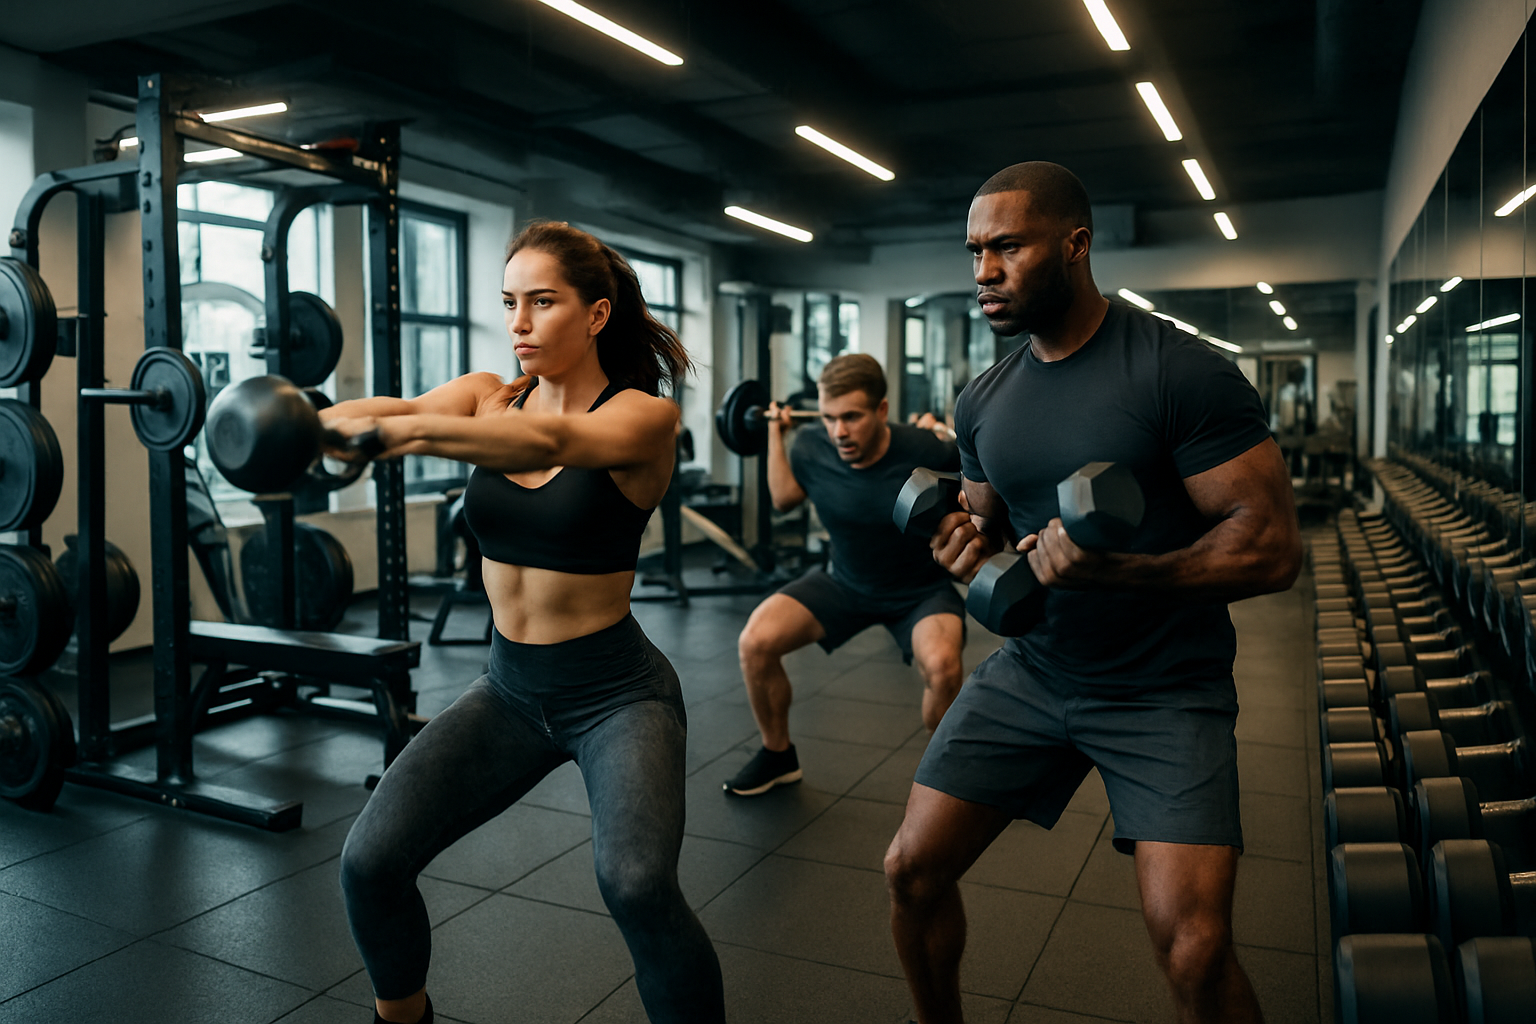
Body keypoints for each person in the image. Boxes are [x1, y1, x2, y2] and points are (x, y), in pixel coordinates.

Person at [883, 162, 1301, 1024]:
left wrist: (1127, 572)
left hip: (1165, 687)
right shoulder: (984, 400)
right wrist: (965, 546)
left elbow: (1269, 548)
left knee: (1192, 947)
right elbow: (990, 529)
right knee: (911, 872)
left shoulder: (1181, 372)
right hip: (1034, 670)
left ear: (1075, 245)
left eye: (1007, 247)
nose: (983, 272)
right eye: (974, 252)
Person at [326, 221, 725, 1024]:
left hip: (618, 693)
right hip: (509, 689)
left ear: (597, 315)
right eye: (510, 303)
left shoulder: (643, 417)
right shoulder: (486, 393)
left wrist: (395, 438)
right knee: (369, 862)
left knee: (638, 883)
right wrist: (310, 423)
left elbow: (550, 438)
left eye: (542, 303)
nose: (519, 323)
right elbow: (394, 407)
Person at [724, 354, 968, 797]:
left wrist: (949, 434)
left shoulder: (924, 447)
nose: (839, 431)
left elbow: (981, 478)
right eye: (829, 417)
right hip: (845, 582)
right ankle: (778, 756)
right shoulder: (811, 446)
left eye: (852, 417)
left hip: (918, 590)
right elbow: (782, 501)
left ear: (880, 410)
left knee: (943, 665)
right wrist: (776, 434)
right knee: (755, 642)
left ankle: (945, 780)